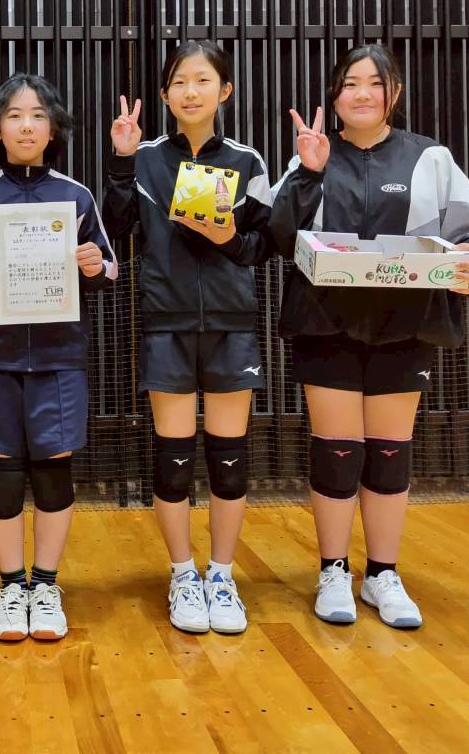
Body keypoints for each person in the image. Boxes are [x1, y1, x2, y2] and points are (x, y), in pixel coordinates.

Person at [269, 43, 469, 628]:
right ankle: (332, 570)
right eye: (349, 83)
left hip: (407, 326)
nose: (361, 93)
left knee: (388, 450)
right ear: (334, 96)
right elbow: (276, 235)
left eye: (374, 83)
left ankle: (382, 573)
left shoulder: (431, 158)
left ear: (393, 94)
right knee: (336, 450)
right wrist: (308, 172)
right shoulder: (313, 154)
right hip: (325, 324)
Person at [0, 73, 116, 641]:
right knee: (4, 473)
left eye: (38, 115)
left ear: (54, 128)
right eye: (14, 115)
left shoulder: (76, 195)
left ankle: (47, 584)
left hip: (60, 358)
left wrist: (93, 266)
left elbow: (108, 267)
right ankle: (12, 586)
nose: (27, 125)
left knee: (55, 470)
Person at [103, 42, 274, 635]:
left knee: (229, 460)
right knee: (173, 459)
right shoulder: (148, 157)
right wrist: (122, 160)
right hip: (167, 322)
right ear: (165, 94)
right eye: (179, 81)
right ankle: (182, 574)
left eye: (203, 80)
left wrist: (229, 238)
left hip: (231, 325)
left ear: (225, 91)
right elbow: (118, 227)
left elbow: (264, 246)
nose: (191, 91)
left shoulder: (247, 161)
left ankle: (221, 575)